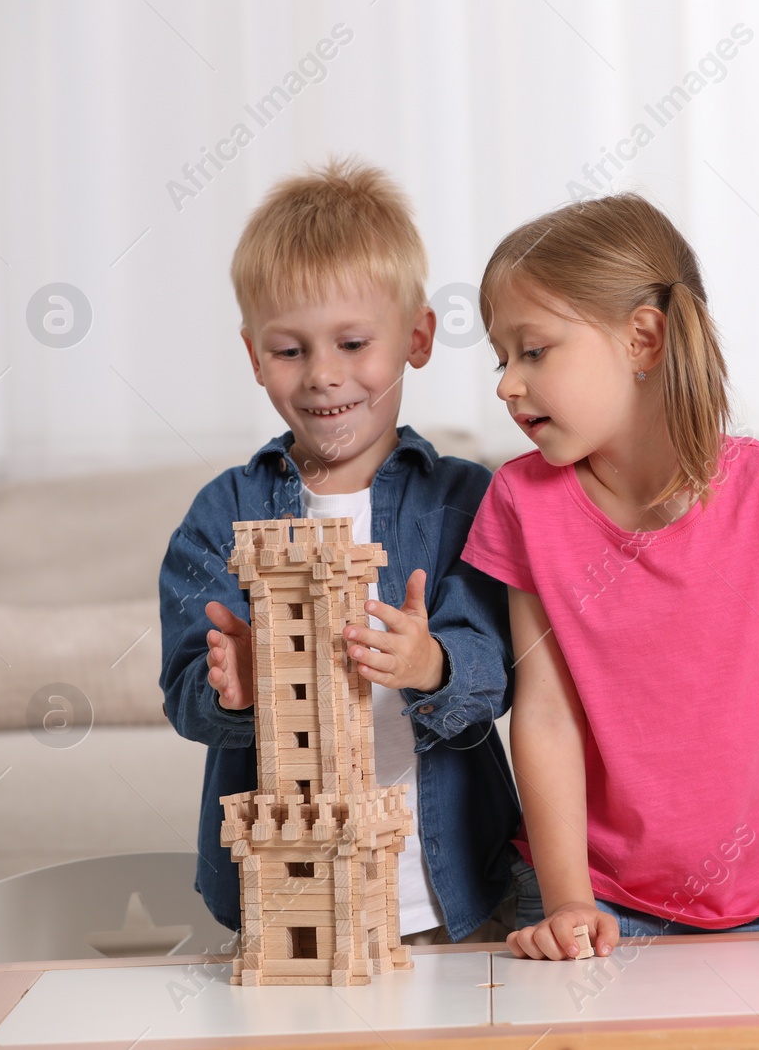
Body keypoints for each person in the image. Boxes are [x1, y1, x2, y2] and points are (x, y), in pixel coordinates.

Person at [460, 193, 759, 961]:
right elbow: (546, 713)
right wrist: (566, 899)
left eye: (533, 351)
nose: (507, 384)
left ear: (643, 339)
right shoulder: (520, 502)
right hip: (587, 905)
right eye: (503, 358)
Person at [158, 156, 538, 944]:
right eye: (291, 350)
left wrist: (430, 661)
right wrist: (234, 687)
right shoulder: (222, 514)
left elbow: (498, 675)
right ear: (254, 354)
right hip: (286, 899)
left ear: (418, 337)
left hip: (448, 893)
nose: (324, 375)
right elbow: (187, 690)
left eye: (354, 342)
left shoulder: (465, 499)